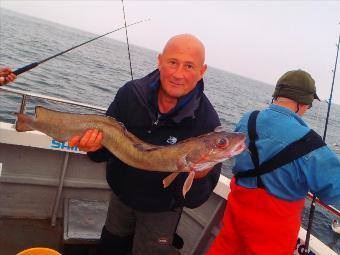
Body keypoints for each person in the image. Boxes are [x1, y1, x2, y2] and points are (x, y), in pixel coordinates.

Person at [68, 34, 222, 255]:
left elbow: (195, 200)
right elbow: (101, 155)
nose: (178, 74)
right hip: (122, 197)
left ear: (202, 71)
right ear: (160, 60)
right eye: (172, 62)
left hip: (161, 210)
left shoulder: (207, 124)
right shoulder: (131, 94)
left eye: (189, 66)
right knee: (111, 246)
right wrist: (94, 148)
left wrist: (197, 175)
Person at [207, 69, 340, 255]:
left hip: (235, 224)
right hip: (273, 239)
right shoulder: (311, 144)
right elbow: (334, 190)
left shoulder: (248, 119)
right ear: (303, 103)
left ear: (277, 95)